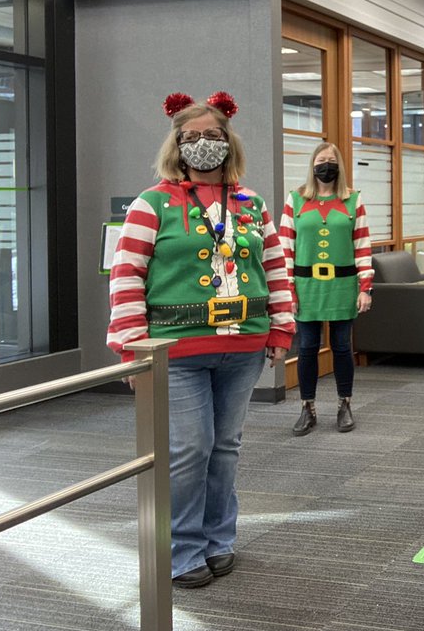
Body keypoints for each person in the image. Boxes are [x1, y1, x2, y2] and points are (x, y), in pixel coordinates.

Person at [107, 92, 294, 588]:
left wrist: (281, 326)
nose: (203, 145)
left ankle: (219, 539)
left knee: (226, 447)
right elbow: (126, 276)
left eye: (213, 136)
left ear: (228, 143)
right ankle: (183, 548)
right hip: (176, 350)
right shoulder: (152, 203)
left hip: (245, 346)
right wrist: (132, 348)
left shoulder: (251, 204)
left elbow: (274, 267)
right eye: (191, 138)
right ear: (176, 145)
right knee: (191, 449)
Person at [279, 142, 373, 436]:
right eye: (321, 160)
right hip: (306, 286)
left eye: (332, 160)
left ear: (339, 166)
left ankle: (345, 404)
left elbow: (362, 247)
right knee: (307, 347)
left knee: (343, 346)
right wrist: (287, 290)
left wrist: (365, 287)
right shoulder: (295, 200)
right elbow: (285, 249)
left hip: (343, 285)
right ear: (312, 164)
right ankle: (308, 407)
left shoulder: (353, 200)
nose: (326, 165)